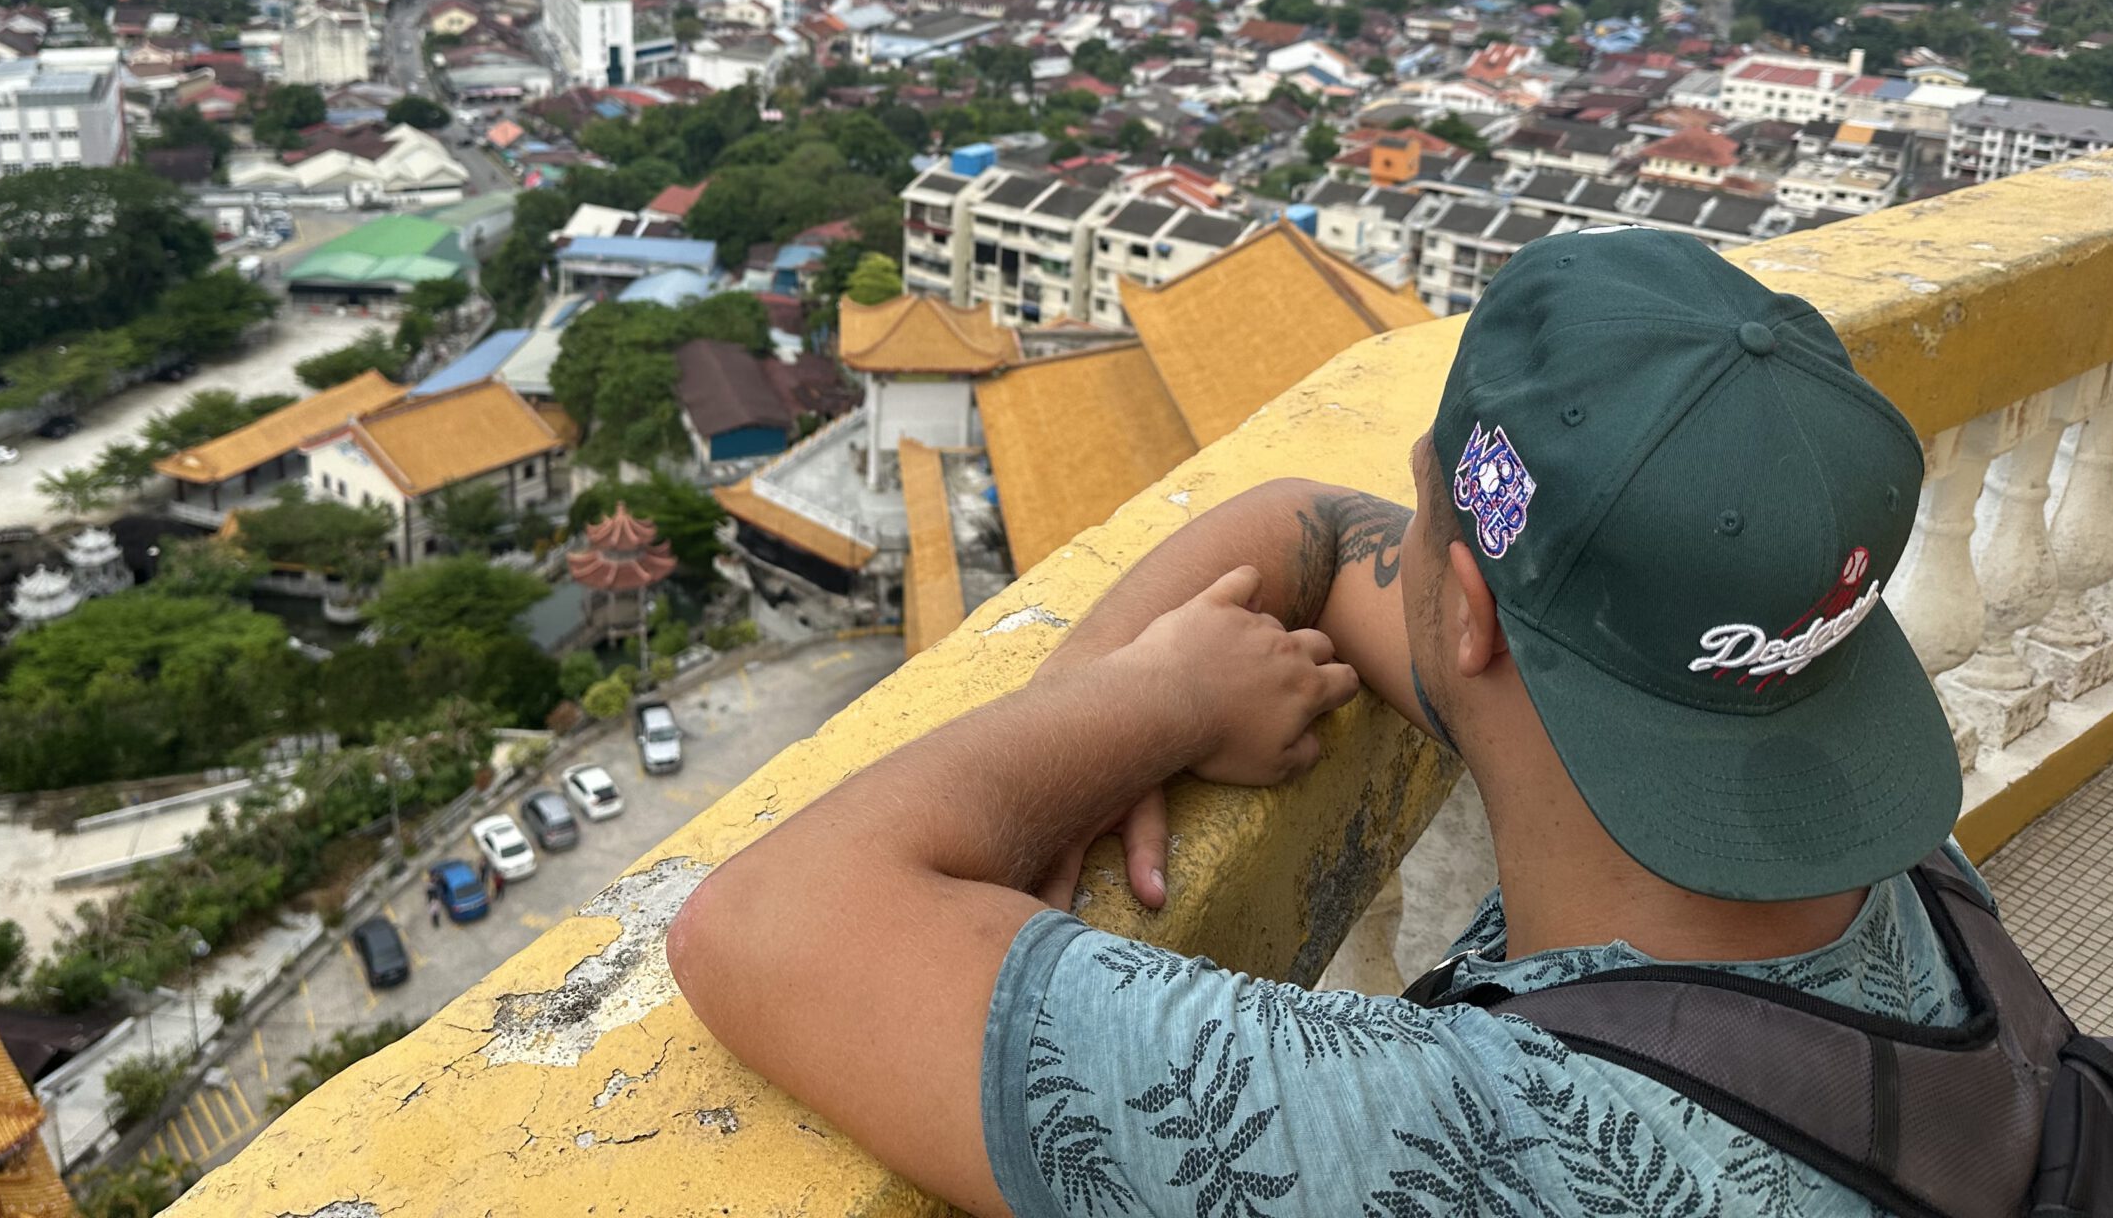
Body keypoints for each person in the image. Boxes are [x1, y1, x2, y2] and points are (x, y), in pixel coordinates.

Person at [668, 228, 1998, 1216]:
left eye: (1426, 503)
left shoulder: (1438, 1149)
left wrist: (1137, 709)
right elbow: (1309, 525)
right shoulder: (1914, 883)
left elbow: (755, 925)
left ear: (1465, 613)